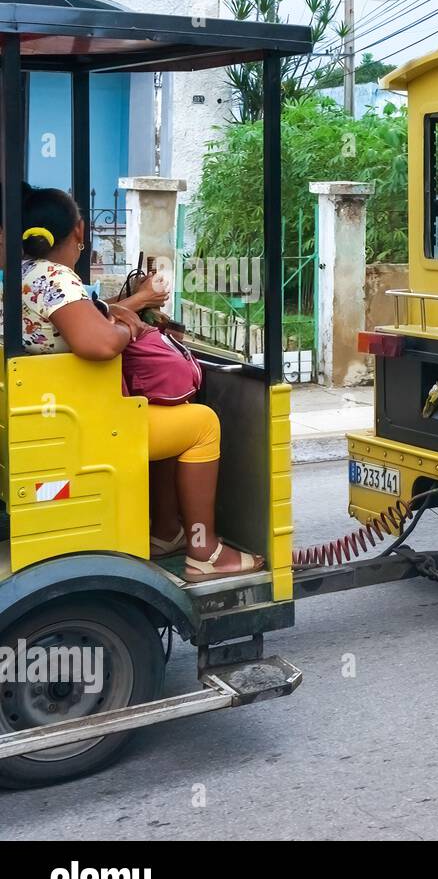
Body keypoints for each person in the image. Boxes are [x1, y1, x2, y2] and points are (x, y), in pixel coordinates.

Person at [17, 186, 261, 582]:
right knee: (202, 423)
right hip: (88, 425)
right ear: (79, 231)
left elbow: (76, 323)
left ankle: (166, 532)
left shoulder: (21, 273)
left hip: (57, 421)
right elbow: (97, 344)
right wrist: (126, 328)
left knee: (171, 416)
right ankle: (205, 551)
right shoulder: (54, 276)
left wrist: (115, 311)